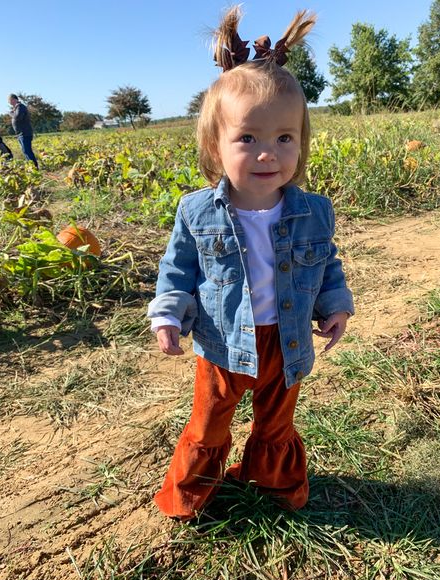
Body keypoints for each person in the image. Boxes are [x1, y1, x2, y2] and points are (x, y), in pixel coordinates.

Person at [147, 7, 354, 520]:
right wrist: (168, 314)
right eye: (248, 139)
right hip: (221, 342)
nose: (269, 154)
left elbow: (327, 263)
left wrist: (336, 306)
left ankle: (277, 485)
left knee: (276, 424)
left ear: (301, 142)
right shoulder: (197, 211)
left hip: (285, 341)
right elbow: (177, 269)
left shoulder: (312, 210)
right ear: (215, 146)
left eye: (285, 138)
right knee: (209, 423)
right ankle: (190, 498)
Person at [8, 94, 38, 168]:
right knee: (25, 151)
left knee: (27, 151)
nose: (9, 102)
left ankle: (35, 167)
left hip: (24, 133)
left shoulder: (20, 106)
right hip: (21, 134)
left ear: (13, 99)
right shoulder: (17, 108)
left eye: (9, 100)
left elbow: (18, 117)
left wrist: (11, 113)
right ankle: (31, 167)